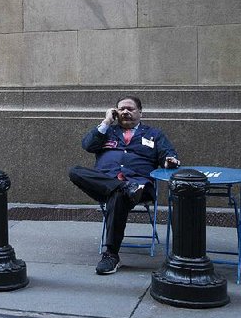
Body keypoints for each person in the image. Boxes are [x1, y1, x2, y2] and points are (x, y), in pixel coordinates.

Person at [69, 96, 180, 275]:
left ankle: (111, 255)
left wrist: (170, 161)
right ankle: (122, 187)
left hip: (140, 188)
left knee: (118, 196)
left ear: (140, 112)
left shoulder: (154, 134)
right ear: (115, 112)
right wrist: (106, 121)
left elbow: (169, 156)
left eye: (130, 109)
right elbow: (87, 145)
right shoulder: (107, 131)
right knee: (75, 171)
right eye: (121, 109)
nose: (125, 112)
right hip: (105, 184)